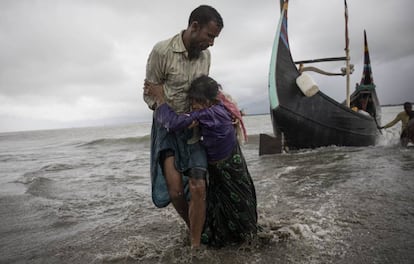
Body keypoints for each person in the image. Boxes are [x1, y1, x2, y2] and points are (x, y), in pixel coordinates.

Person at [142, 5, 223, 249]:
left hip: (194, 128)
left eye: (214, 38)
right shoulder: (162, 51)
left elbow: (204, 91)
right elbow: (149, 95)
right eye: (210, 36)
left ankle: (196, 246)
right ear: (194, 27)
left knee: (198, 186)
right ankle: (194, 228)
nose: (211, 43)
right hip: (167, 128)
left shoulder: (206, 57)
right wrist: (167, 110)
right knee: (176, 191)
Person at [149, 75, 258, 248]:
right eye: (191, 101)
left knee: (235, 204)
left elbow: (173, 123)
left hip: (225, 168)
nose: (193, 105)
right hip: (231, 163)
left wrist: (161, 100)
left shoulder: (207, 114)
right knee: (237, 200)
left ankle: (239, 239)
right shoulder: (221, 106)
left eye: (196, 101)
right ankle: (239, 237)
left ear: (208, 101)